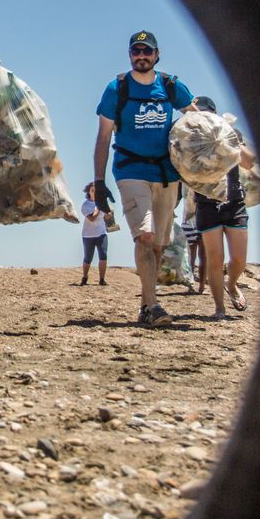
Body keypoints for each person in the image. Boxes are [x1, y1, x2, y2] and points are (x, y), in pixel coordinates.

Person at [93, 29, 195, 328]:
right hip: (130, 169)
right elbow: (102, 138)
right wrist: (99, 182)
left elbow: (195, 117)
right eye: (136, 52)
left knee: (159, 245)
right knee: (145, 236)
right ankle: (153, 307)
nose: (141, 56)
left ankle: (145, 303)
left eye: (146, 52)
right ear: (130, 55)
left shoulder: (170, 86)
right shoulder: (117, 88)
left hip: (166, 174)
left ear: (156, 55)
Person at [190, 95, 256, 318]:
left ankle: (233, 284)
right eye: (195, 113)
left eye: (204, 113)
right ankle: (219, 308)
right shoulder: (188, 139)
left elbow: (249, 162)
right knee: (214, 259)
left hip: (234, 201)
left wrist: (228, 137)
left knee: (238, 259)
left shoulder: (229, 132)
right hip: (206, 203)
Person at [78, 182, 109, 286]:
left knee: (103, 255)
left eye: (96, 190)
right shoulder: (85, 205)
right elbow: (92, 218)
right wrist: (98, 208)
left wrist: (109, 214)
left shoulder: (103, 202)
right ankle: (85, 276)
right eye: (92, 190)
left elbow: (108, 216)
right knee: (88, 258)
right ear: (89, 192)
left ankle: (102, 279)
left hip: (101, 233)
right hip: (88, 235)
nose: (94, 192)